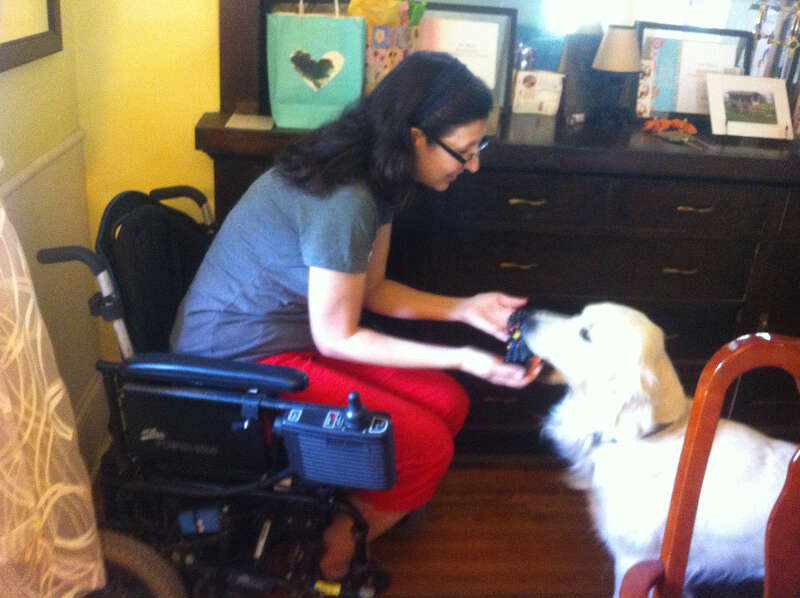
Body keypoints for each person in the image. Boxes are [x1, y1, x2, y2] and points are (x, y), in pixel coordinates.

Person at [170, 51, 541, 582]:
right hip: (235, 360)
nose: (473, 165)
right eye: (464, 151)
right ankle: (328, 557)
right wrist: (464, 354)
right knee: (428, 445)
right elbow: (340, 336)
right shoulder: (345, 197)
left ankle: (356, 497)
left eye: (477, 148)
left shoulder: (378, 178)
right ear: (416, 136)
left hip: (290, 341)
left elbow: (372, 290)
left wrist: (466, 310)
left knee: (448, 401)